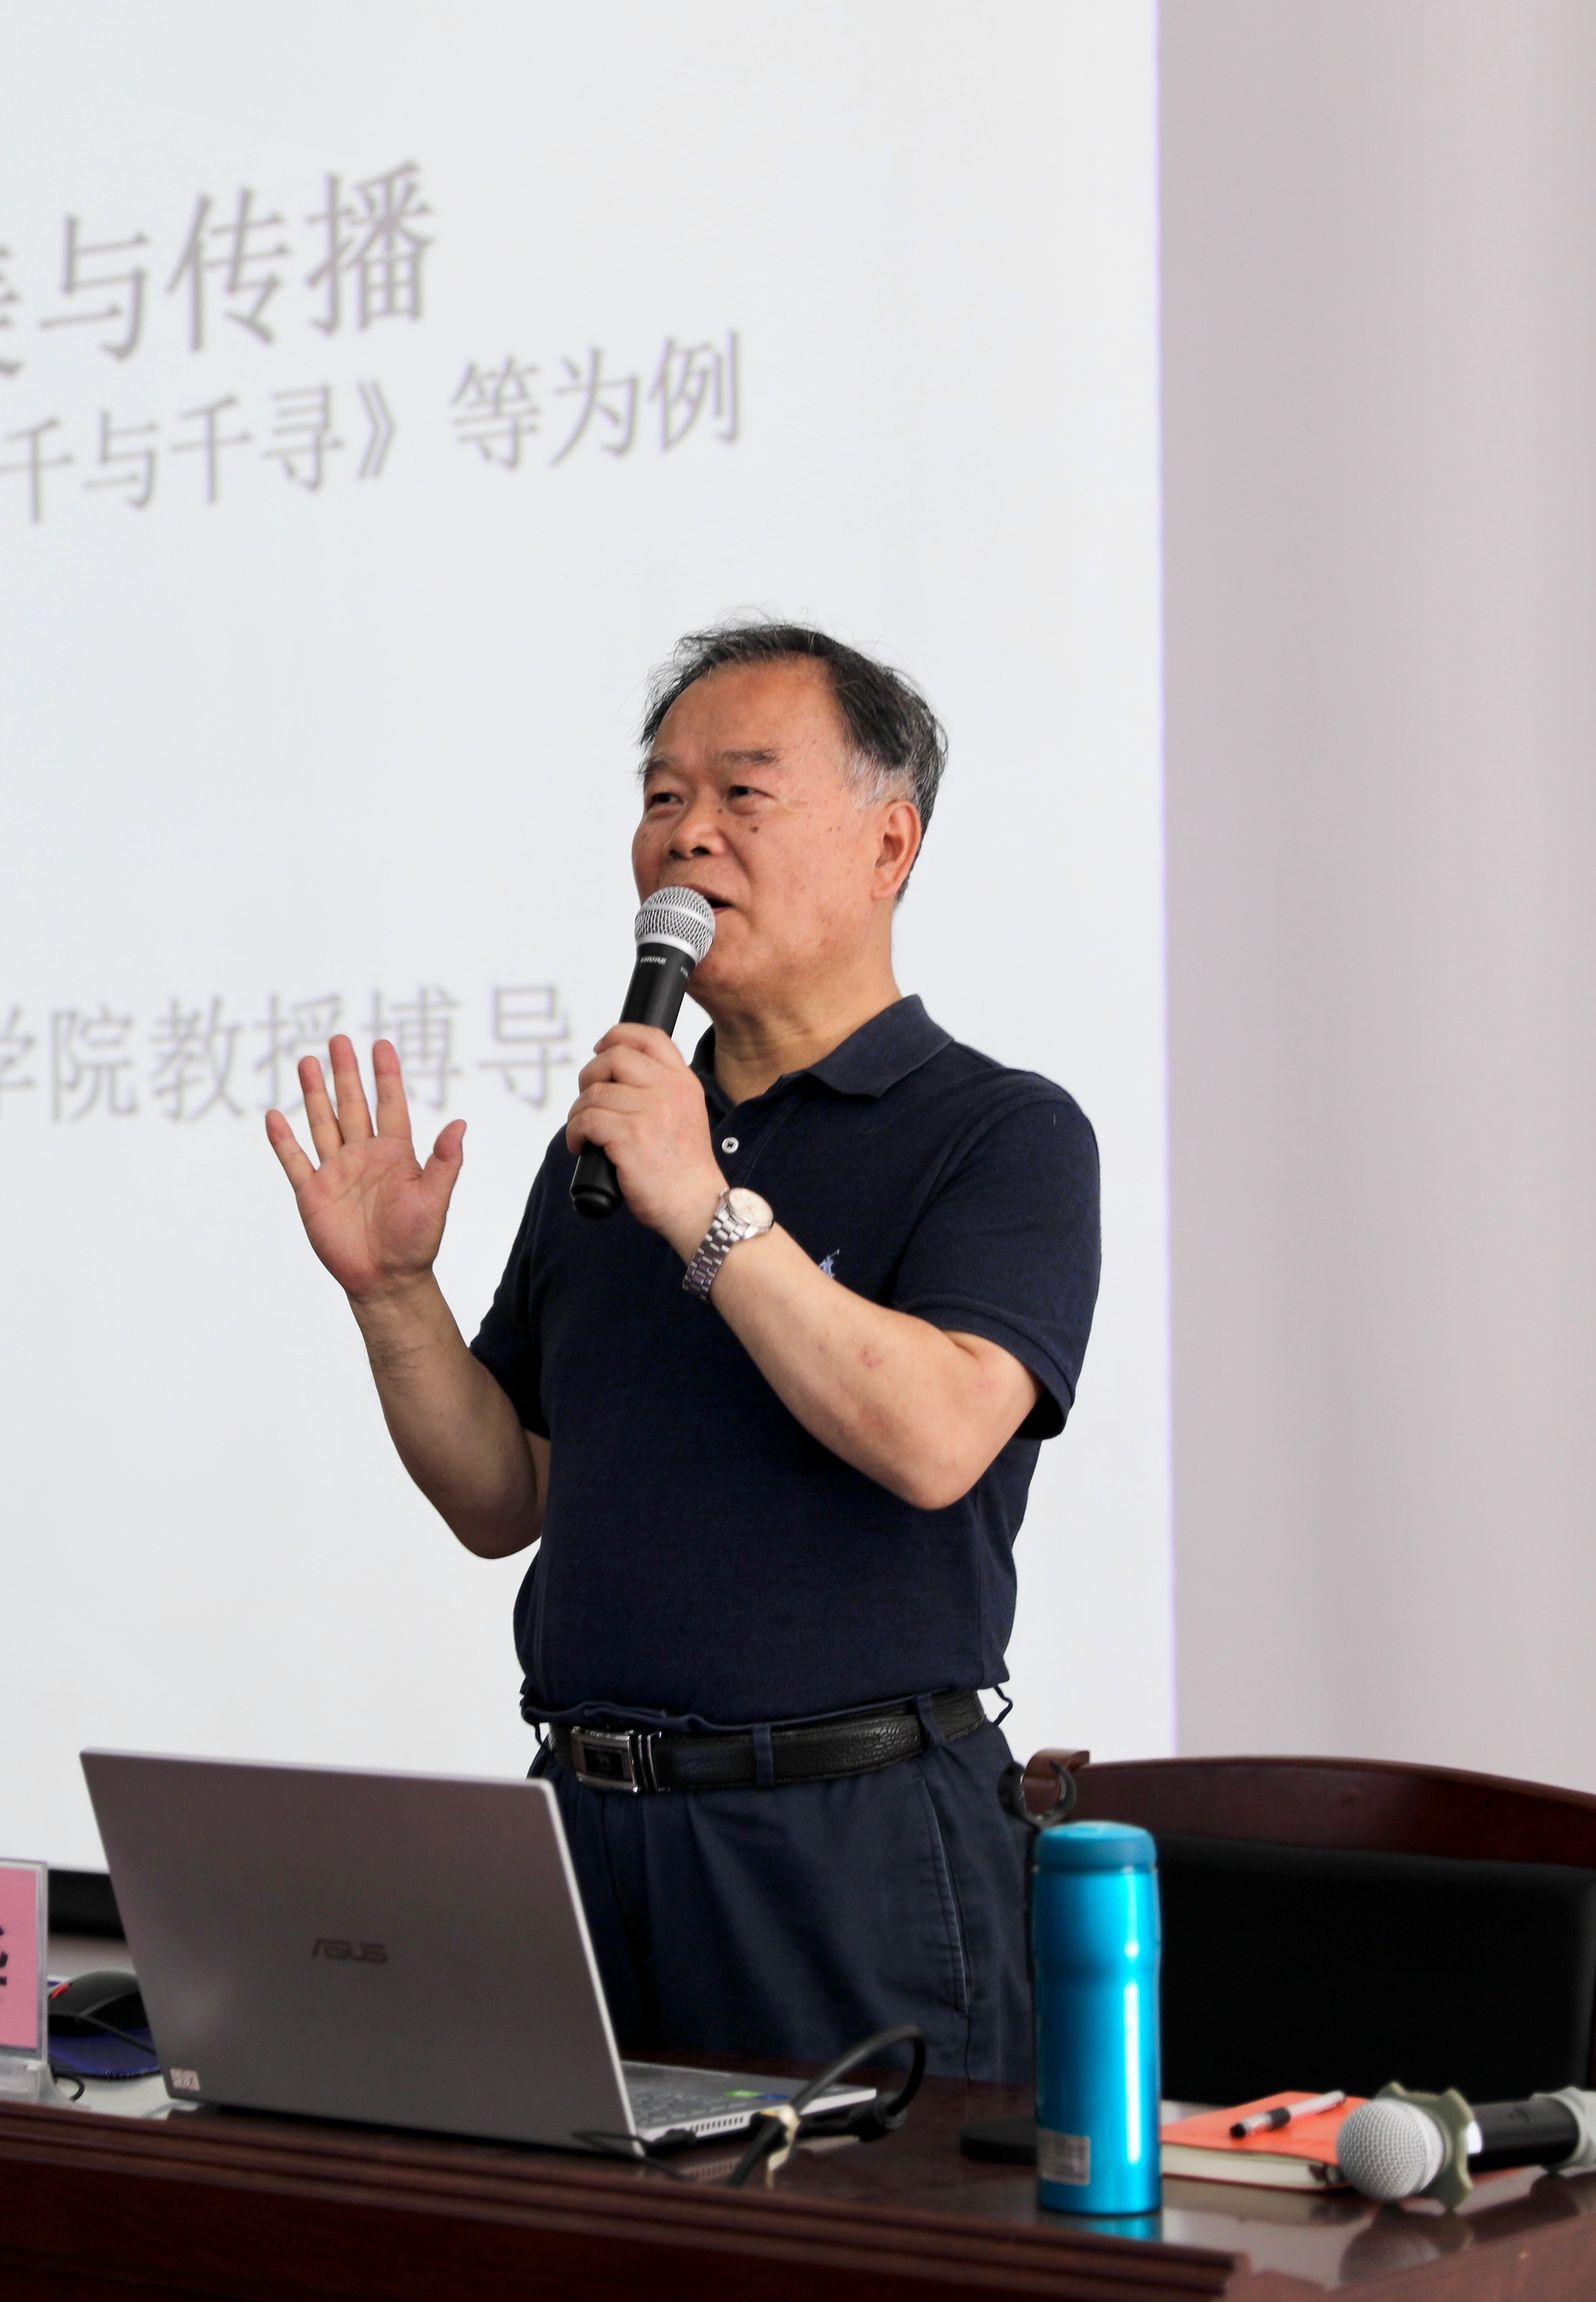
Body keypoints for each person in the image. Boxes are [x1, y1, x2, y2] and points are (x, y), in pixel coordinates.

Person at [264, 622, 1099, 2080]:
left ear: (890, 843)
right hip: (582, 1831)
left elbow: (936, 1437)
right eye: (662, 798)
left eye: (743, 793)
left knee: (856, 2223)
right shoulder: (620, 1144)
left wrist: (707, 1212)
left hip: (845, 1851)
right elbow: (503, 1498)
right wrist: (394, 1295)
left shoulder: (999, 1131)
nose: (687, 835)